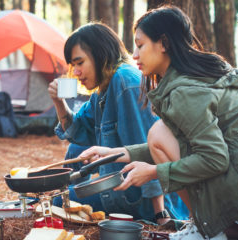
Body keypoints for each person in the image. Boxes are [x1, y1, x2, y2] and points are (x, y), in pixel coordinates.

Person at [78, 6, 238, 240]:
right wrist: (114, 153)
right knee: (162, 135)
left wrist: (153, 173)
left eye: (140, 45)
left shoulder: (184, 91)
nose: (135, 54)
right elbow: (183, 146)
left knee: (159, 133)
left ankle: (207, 231)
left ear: (164, 43)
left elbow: (214, 159)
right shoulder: (204, 75)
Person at [48, 22, 188, 224]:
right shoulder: (103, 90)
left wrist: (160, 215)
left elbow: (150, 148)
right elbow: (77, 131)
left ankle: (65, 195)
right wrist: (59, 102)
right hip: (121, 190)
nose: (76, 72)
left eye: (80, 63)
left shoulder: (125, 82)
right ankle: (66, 192)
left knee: (57, 203)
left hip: (141, 199)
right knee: (75, 150)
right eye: (73, 65)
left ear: (100, 54)